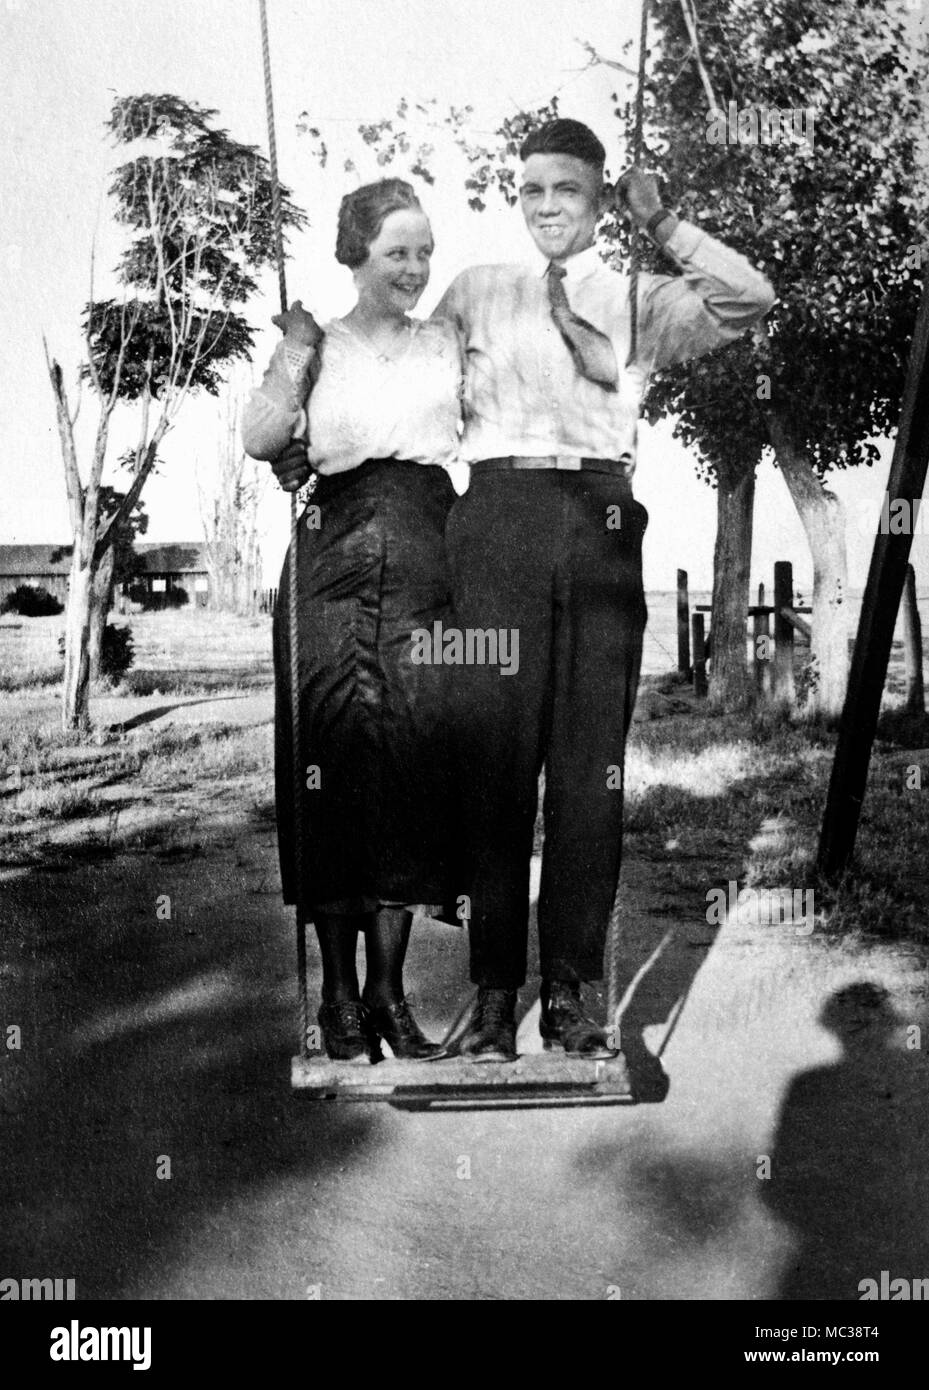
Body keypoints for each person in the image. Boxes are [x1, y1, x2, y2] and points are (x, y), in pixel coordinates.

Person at [434, 118, 775, 1062]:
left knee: (590, 770)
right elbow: (413, 397)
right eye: (532, 190)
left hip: (600, 518)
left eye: (568, 192)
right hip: (493, 517)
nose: (547, 207)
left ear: (598, 200)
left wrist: (662, 225)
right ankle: (495, 997)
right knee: (494, 765)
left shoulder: (639, 296)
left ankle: (575, 996)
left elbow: (750, 298)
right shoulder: (474, 292)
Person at [242, 178, 463, 1063]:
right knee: (330, 768)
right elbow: (262, 439)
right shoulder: (317, 344)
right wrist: (294, 359)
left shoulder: (447, 342)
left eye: (422, 253)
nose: (412, 269)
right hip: (329, 559)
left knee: (410, 766)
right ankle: (336, 999)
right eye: (396, 252)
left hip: (425, 552)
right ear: (356, 254)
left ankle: (388, 997)